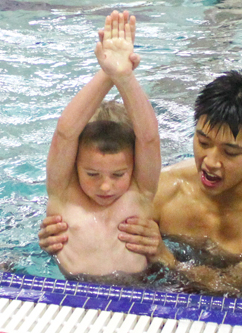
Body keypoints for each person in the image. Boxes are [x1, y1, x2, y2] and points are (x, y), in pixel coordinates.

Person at [40, 69, 242, 294]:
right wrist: (52, 235)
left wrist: (168, 259)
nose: (210, 161)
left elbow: (233, 288)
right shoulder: (165, 189)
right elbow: (93, 217)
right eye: (203, 142)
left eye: (230, 152)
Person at [45, 10, 161, 277]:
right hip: (71, 295)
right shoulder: (63, 193)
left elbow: (149, 139)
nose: (106, 186)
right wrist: (108, 74)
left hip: (139, 292)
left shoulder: (140, 193)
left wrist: (125, 77)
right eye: (92, 174)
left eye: (119, 174)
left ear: (133, 167)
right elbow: (65, 134)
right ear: (75, 165)